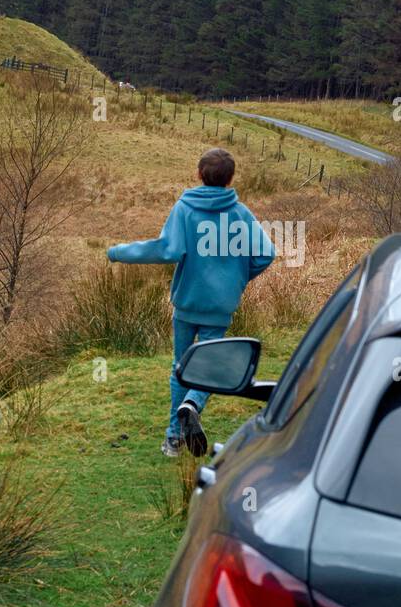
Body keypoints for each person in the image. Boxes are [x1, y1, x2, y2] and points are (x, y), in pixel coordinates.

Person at [106, 148, 276, 457]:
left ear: (199, 174)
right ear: (231, 178)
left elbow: (167, 251)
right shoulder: (241, 213)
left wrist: (118, 252)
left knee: (180, 368)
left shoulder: (184, 209)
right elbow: (266, 254)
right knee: (208, 367)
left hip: (186, 303)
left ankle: (173, 438)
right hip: (219, 308)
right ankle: (192, 405)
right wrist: (236, 279)